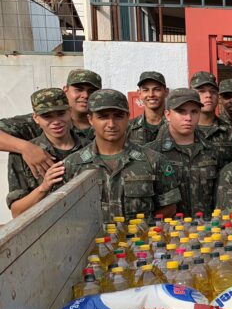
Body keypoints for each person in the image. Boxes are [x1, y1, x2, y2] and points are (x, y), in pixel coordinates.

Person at [64, 89, 181, 221]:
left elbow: (169, 206)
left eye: (118, 116)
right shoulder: (73, 165)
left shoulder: (153, 160)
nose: (111, 124)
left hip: (139, 240)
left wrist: (144, 230)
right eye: (103, 117)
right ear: (90, 119)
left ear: (127, 117)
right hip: (94, 241)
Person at [0, 68, 100, 178]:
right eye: (78, 89)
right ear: (65, 90)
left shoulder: (106, 124)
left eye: (91, 91)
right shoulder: (40, 121)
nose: (85, 95)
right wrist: (26, 147)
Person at [7, 89, 86, 217]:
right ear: (36, 118)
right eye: (47, 116)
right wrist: (43, 188)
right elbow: (17, 212)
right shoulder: (22, 156)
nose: (56, 121)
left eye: (61, 113)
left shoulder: (89, 147)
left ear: (70, 112)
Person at [146, 88, 220, 217]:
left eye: (194, 112)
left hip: (207, 230)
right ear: (167, 115)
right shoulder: (151, 153)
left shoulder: (212, 151)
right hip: (168, 232)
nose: (188, 118)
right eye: (181, 111)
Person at [191, 71, 232, 166]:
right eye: (201, 91)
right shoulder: (183, 129)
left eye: (213, 91)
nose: (208, 95)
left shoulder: (230, 130)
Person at [127, 71, 168, 145]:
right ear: (139, 94)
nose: (151, 94)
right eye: (146, 90)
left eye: (156, 89)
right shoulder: (128, 127)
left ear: (166, 92)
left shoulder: (175, 125)